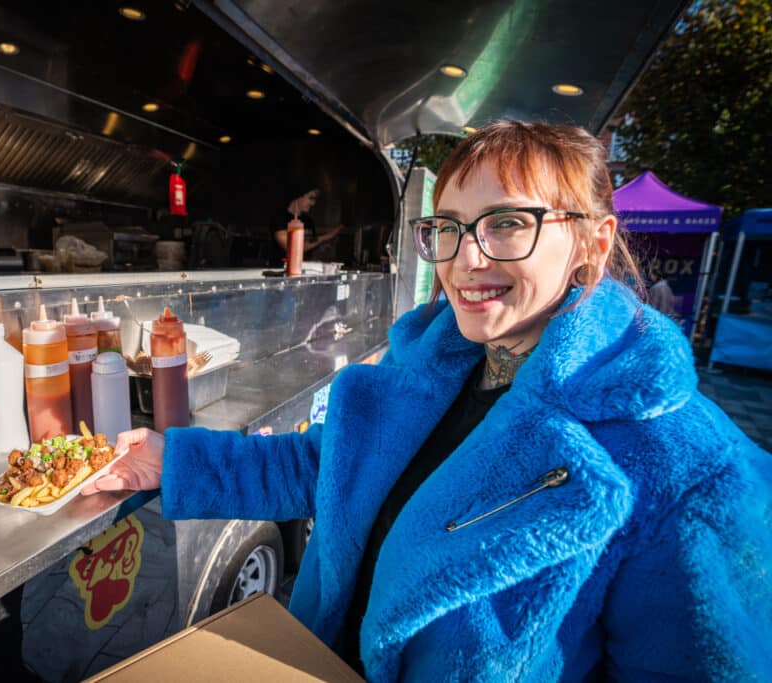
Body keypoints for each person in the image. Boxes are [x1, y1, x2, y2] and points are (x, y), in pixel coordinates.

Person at [83, 121, 772, 681]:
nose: (466, 259)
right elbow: (321, 469)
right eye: (449, 226)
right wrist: (171, 459)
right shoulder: (433, 370)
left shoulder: (689, 469)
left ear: (593, 241)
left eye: (506, 223)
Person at [270, 185, 343, 266]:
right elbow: (290, 247)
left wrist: (326, 245)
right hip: (280, 270)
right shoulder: (280, 217)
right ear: (299, 196)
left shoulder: (308, 220)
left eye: (314, 200)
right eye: (311, 198)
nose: (313, 203)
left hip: (304, 269)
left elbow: (311, 244)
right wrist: (324, 237)